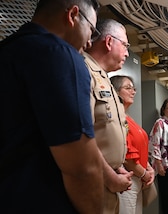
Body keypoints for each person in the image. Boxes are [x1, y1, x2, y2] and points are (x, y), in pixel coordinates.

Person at [0, 0, 105, 213]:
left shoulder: (8, 51)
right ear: (73, 15)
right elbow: (82, 169)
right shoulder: (61, 56)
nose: (89, 43)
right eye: (92, 31)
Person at [83, 18, 133, 214]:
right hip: (93, 182)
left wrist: (116, 167)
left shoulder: (105, 79)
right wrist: (110, 177)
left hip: (107, 178)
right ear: (109, 42)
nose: (128, 52)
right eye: (125, 45)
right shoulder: (84, 71)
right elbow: (82, 137)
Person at [110, 75, 155, 214]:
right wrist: (144, 174)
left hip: (138, 178)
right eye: (128, 88)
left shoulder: (128, 118)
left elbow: (139, 149)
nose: (133, 92)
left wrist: (149, 168)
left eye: (133, 88)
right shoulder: (116, 118)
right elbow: (127, 156)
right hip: (128, 178)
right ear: (116, 92)